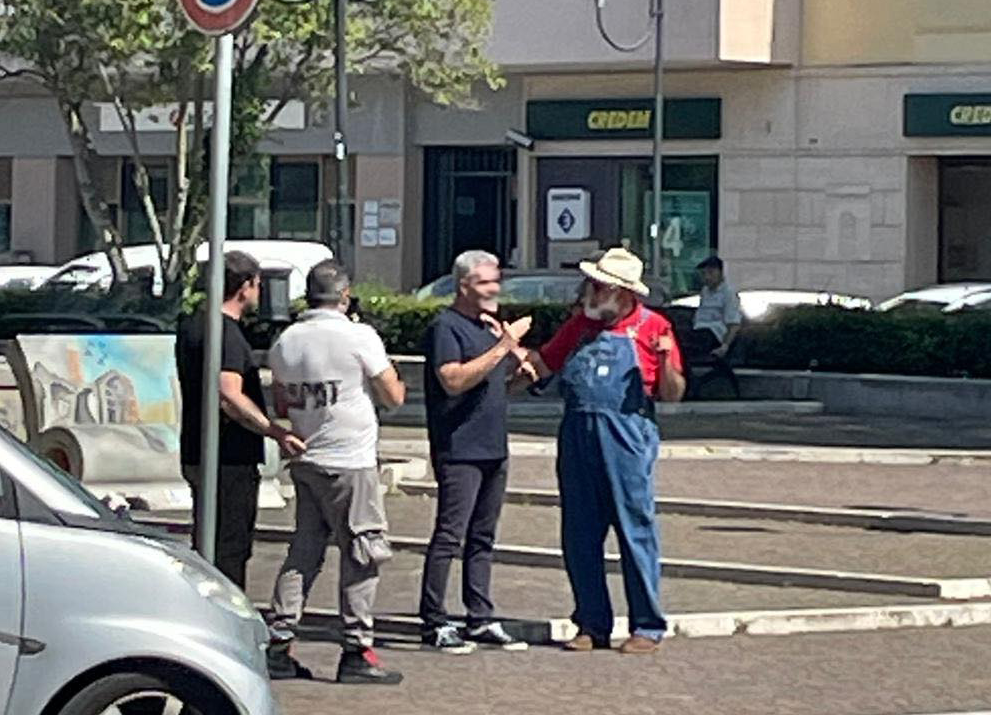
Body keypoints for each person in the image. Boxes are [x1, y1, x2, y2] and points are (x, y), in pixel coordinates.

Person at [532, 247, 685, 655]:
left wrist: (667, 359)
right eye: (592, 285)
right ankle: (591, 621)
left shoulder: (654, 328)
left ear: (623, 294)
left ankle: (647, 626)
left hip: (627, 438)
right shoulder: (579, 326)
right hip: (577, 432)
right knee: (580, 533)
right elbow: (545, 364)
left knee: (636, 530)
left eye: (599, 287)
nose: (591, 293)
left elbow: (672, 394)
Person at [269, 259, 407, 686]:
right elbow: (394, 395)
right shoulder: (357, 335)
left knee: (304, 552)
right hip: (351, 461)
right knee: (362, 552)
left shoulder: (286, 341)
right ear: (344, 296)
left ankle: (278, 641)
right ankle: (356, 648)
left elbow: (280, 403)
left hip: (307, 458)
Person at [419, 249, 533, 653]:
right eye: (486, 282)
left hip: (493, 446)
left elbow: (491, 386)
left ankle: (479, 617)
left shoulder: (487, 328)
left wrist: (518, 375)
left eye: (496, 280)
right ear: (464, 285)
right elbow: (453, 380)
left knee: (483, 536)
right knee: (450, 535)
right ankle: (433, 621)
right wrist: (504, 345)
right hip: (459, 447)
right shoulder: (446, 328)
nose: (494, 289)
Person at [175, 252, 304, 596]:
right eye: (258, 284)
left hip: (196, 449)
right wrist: (275, 431)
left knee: (207, 540)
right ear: (245, 286)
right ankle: (225, 618)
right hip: (228, 457)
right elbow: (229, 396)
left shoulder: (192, 325)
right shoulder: (226, 335)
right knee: (230, 547)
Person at [690, 255, 742, 367]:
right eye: (704, 274)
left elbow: (733, 324)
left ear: (721, 273)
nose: (707, 277)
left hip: (713, 335)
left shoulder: (728, 293)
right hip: (697, 332)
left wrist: (724, 347)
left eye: (711, 273)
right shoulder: (705, 291)